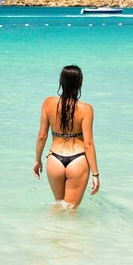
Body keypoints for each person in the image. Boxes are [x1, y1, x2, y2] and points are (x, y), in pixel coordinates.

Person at [33, 65, 100, 208]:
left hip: (54, 160)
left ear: (61, 81)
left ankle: (49, 229)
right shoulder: (86, 109)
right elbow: (88, 143)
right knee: (71, 210)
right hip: (78, 160)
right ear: (80, 83)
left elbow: (42, 136)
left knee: (58, 206)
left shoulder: (48, 103)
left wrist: (37, 160)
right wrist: (95, 174)